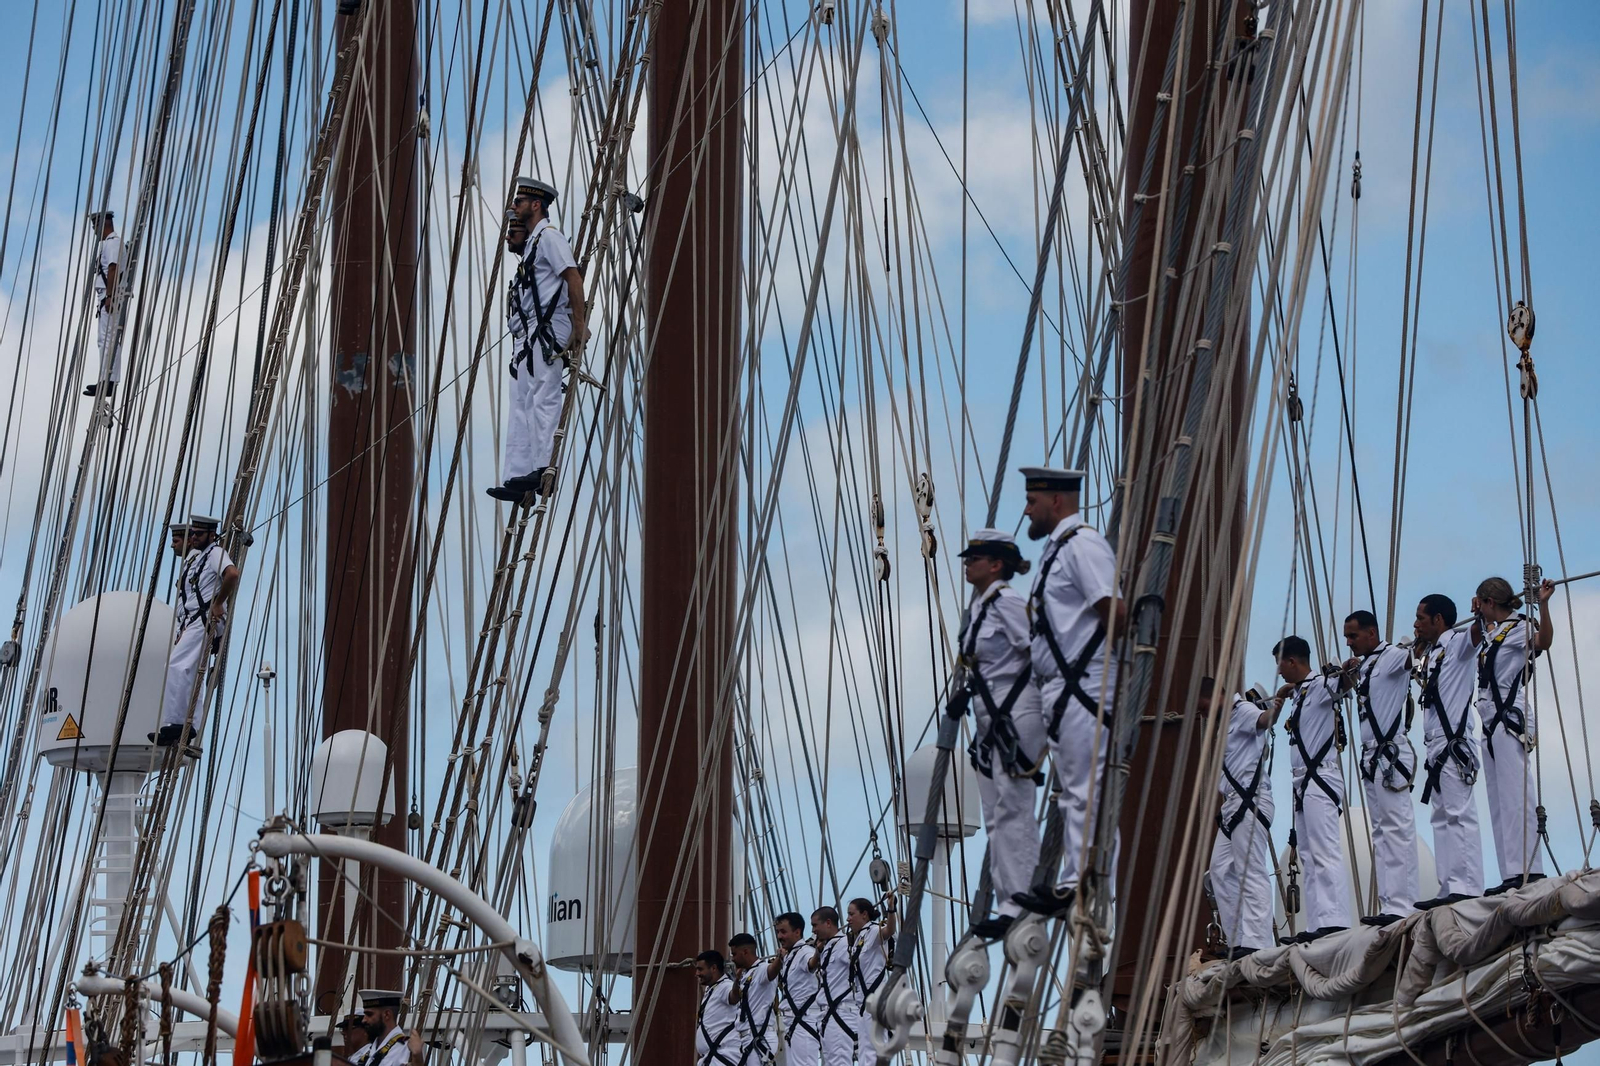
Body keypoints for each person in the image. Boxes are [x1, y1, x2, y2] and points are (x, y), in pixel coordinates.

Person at [1011, 467, 1126, 918]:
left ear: (1055, 501)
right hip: (1064, 689)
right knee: (1074, 793)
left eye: (1032, 502)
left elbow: (1113, 610)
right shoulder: (1058, 551)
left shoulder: (1082, 546)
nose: (1026, 510)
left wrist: (1118, 683)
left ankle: (1087, 887)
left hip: (1086, 686)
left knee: (1088, 791)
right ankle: (1075, 881)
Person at [955, 529, 1045, 938]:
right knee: (994, 816)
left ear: (996, 564)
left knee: (1014, 807)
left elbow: (1040, 653)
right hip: (989, 717)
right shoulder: (978, 608)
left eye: (976, 557)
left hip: (1019, 710)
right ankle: (1010, 901)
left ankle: (1023, 898)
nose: (967, 563)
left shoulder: (1008, 603)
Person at [486, 177, 589, 503]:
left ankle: (544, 466)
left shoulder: (549, 237)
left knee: (543, 398)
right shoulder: (533, 244)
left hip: (548, 327)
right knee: (523, 404)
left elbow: (572, 276)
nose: (514, 207)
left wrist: (580, 322)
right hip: (530, 332)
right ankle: (520, 476)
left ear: (535, 204)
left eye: (518, 202)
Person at [1472, 576, 1555, 895]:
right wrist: (1479, 617)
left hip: (1509, 716)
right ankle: (1511, 870)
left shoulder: (1519, 627)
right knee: (1498, 798)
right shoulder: (1491, 632)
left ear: (1491, 602)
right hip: (1490, 720)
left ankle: (1530, 869)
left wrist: (1544, 605)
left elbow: (1543, 642)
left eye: (1483, 603)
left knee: (1517, 793)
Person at [1339, 610, 1420, 925]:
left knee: (1397, 828)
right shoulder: (1368, 664)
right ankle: (1390, 902)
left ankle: (1405, 903)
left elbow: (1413, 658)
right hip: (1372, 756)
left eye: (1353, 636)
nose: (1349, 643)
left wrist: (1421, 641)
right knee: (1381, 832)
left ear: (1371, 633)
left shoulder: (1390, 657)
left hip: (1389, 753)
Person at [1274, 636, 1352, 942]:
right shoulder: (1300, 693)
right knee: (1307, 852)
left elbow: (1342, 685)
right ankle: (1318, 922)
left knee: (1324, 850)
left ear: (1293, 662)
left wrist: (1345, 671)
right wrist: (1289, 690)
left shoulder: (1321, 686)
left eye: (1280, 665)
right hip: (1302, 782)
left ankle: (1335, 919)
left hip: (1320, 777)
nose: (1278, 672)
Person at [1412, 594, 1484, 908]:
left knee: (1458, 814)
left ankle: (1467, 885)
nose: (1415, 625)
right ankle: (1448, 885)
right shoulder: (1431, 654)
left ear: (1439, 620)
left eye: (1421, 619)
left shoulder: (1456, 644)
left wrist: (1481, 613)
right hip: (1435, 745)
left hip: (1453, 743)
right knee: (1440, 817)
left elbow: (1476, 636)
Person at [1204, 679, 1278, 958]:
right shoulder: (1225, 724)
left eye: (1204, 708)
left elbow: (1263, 720)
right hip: (1233, 806)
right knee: (1220, 869)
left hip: (1251, 802)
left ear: (1214, 697)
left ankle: (1258, 941)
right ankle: (1237, 939)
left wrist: (1277, 709)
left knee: (1251, 871)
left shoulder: (1242, 710)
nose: (1204, 715)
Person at [153, 515, 239, 751]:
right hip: (194, 622)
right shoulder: (202, 558)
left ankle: (178, 723)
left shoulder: (215, 554)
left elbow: (232, 574)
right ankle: (184, 724)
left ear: (211, 535)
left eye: (197, 535)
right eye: (192, 534)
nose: (193, 538)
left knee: (176, 666)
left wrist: (219, 603)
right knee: (188, 672)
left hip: (205, 620)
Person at [807, 907, 858, 1066]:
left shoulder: (844, 944)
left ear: (828, 923)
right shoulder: (828, 946)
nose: (813, 930)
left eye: (815, 925)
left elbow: (859, 966)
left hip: (840, 1013)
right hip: (828, 1016)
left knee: (839, 1062)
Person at [768, 912, 820, 1065]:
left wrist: (819, 951)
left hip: (804, 1021)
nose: (779, 936)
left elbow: (811, 964)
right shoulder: (790, 956)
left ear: (797, 932)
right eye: (778, 932)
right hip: (793, 1022)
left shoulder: (805, 952)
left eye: (783, 932)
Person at [84, 210, 123, 398]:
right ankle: (104, 379)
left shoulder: (113, 243)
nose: (94, 230)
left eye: (95, 226)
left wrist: (110, 296)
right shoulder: (107, 244)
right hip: (104, 297)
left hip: (109, 297)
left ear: (104, 224)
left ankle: (110, 380)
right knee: (103, 340)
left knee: (109, 339)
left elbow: (113, 268)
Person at [843, 896, 895, 1024]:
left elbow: (889, 930)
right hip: (862, 1001)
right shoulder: (859, 937)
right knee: (864, 1043)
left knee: (874, 1042)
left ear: (864, 915)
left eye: (851, 914)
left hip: (874, 998)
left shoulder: (873, 931)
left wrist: (891, 910)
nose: (847, 919)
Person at [727, 932, 776, 1066]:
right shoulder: (747, 973)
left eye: (734, 954)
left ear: (745, 952)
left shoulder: (762, 970)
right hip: (746, 1038)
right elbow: (735, 998)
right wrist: (737, 979)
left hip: (759, 1036)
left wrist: (780, 959)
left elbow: (772, 971)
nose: (732, 958)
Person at [354, 990, 424, 1066]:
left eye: (369, 1014)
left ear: (387, 1015)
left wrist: (418, 1059)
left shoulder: (405, 1049)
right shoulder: (367, 1052)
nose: (364, 1020)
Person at [695, 950, 740, 1066]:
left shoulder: (725, 986)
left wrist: (737, 982)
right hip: (712, 1058)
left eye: (700, 969)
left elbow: (734, 997)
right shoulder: (712, 988)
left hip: (723, 1057)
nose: (697, 973)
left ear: (713, 968)